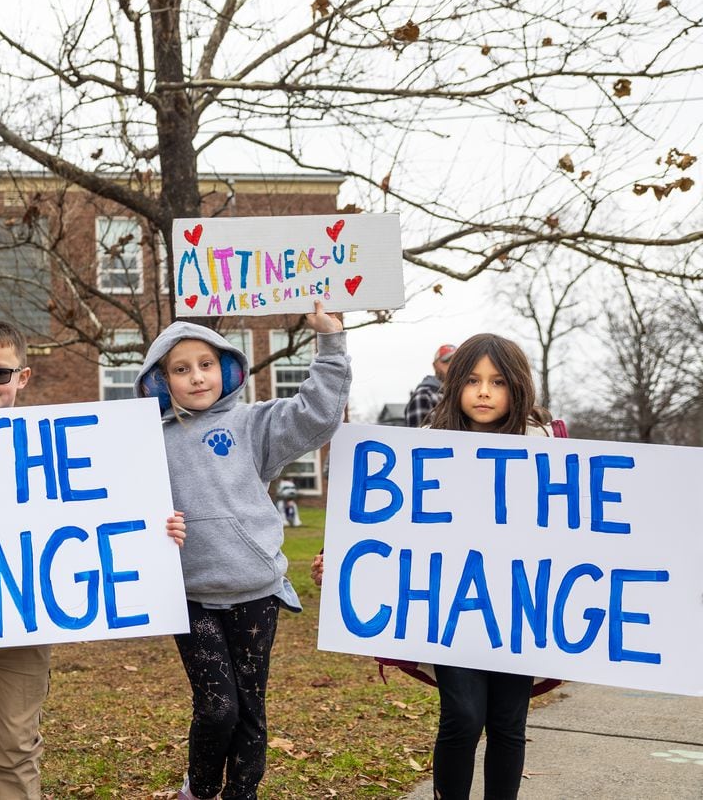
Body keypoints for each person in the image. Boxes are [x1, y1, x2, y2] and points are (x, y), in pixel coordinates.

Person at [0, 319, 186, 800]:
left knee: (17, 751)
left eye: (0, 374)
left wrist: (158, 531)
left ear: (22, 377)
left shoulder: (59, 447)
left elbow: (114, 509)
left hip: (26, 624)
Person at [314, 332, 554, 800]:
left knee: (508, 722)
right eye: (473, 380)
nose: (484, 392)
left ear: (517, 387)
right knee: (463, 716)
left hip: (518, 608)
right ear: (454, 384)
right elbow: (394, 531)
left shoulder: (545, 446)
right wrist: (344, 563)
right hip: (452, 608)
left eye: (498, 382)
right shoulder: (423, 447)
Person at [136, 302, 350, 800]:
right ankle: (202, 789)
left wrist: (331, 342)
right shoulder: (146, 440)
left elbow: (317, 415)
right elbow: (121, 511)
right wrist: (154, 529)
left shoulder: (253, 424)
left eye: (206, 365)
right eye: (181, 369)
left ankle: (243, 793)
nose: (196, 377)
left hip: (255, 591)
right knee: (217, 708)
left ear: (227, 368)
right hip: (188, 596)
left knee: (251, 709)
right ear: (161, 380)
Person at [405, 343, 457, 427]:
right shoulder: (424, 394)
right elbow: (419, 437)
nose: (452, 365)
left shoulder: (463, 393)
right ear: (435, 365)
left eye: (457, 361)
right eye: (447, 361)